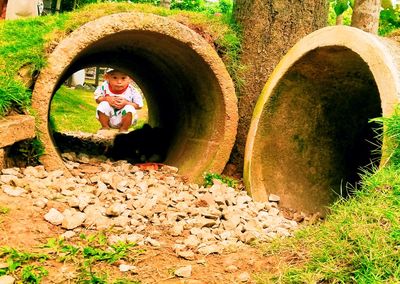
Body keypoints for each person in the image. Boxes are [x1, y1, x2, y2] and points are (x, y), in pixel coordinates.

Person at [94, 68, 143, 134]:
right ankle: (105, 127)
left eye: (123, 78)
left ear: (130, 79)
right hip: (109, 118)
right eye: (114, 77)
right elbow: (97, 98)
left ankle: (124, 129)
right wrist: (106, 98)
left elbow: (139, 105)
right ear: (107, 77)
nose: (119, 81)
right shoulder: (104, 86)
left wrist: (126, 103)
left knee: (129, 108)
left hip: (125, 118)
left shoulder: (132, 90)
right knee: (103, 104)